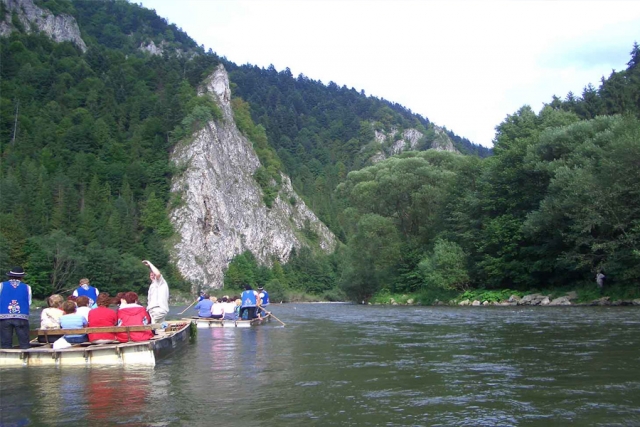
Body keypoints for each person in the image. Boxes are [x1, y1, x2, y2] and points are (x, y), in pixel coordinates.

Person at [0, 267, 32, 349]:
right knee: (24, 343)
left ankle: (6, 359)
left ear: (9, 276)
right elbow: (29, 302)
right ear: (21, 277)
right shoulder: (27, 287)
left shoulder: (1, 285)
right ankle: (25, 359)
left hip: (4, 317)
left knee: (6, 343)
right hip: (21, 317)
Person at [143, 260, 169, 324]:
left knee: (152, 328)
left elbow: (158, 274)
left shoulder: (160, 282)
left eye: (153, 274)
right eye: (151, 274)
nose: (152, 275)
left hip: (157, 310)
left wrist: (149, 263)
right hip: (155, 310)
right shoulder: (153, 284)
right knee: (160, 329)